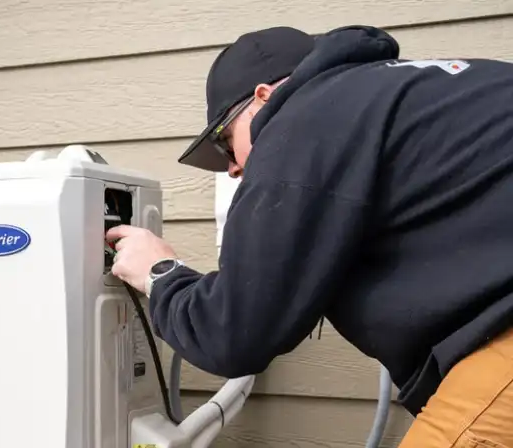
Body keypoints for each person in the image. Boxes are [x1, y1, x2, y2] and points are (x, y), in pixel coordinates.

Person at [105, 25, 513, 447]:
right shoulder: (414, 88)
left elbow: (233, 334)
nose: (233, 169)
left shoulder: (303, 118)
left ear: (264, 98)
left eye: (226, 144)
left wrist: (160, 272)